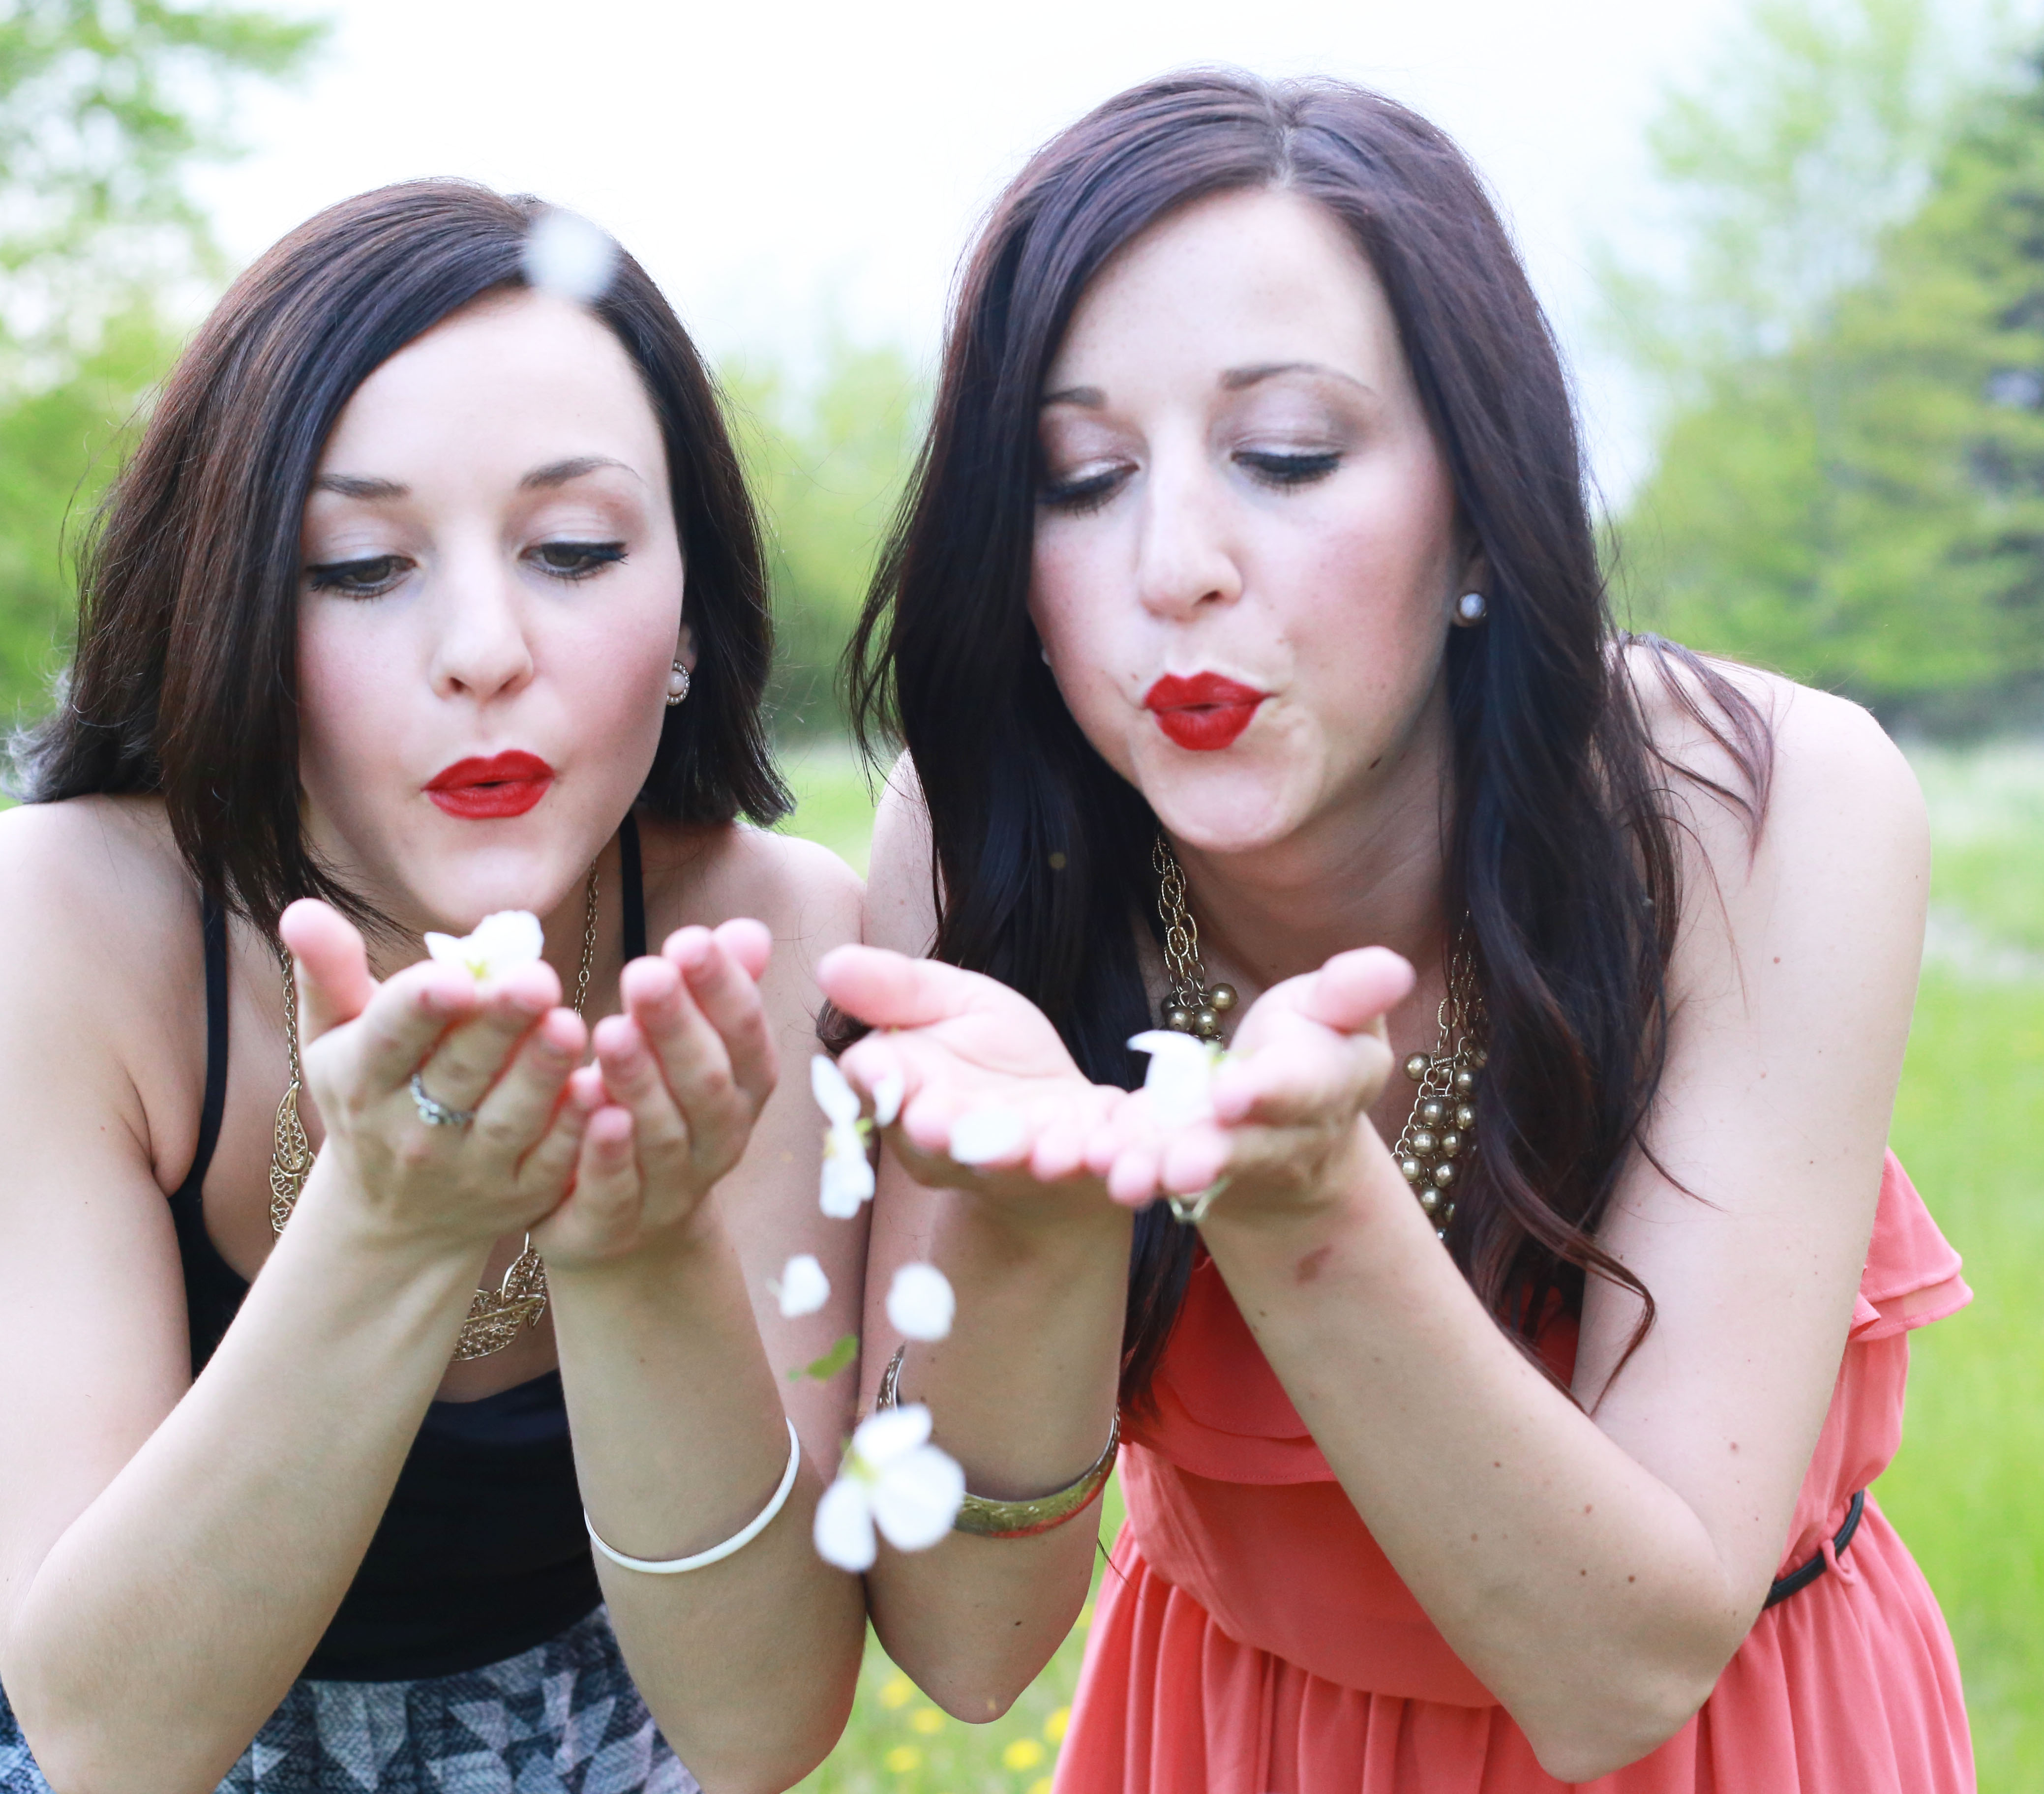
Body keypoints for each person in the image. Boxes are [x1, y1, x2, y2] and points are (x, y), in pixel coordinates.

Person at [820, 72, 1974, 1794]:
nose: (1175, 564)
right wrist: (1035, 1231)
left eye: (1287, 455)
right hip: (1222, 1740)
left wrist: (1302, 1209)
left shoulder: (1752, 809)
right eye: (1081, 477)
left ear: (1482, 508)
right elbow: (971, 1653)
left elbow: (1623, 1674)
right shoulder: (987, 839)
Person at [0, 181, 866, 1794]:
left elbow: (762, 1727)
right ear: (233, 606)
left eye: (576, 550)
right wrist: (390, 1223)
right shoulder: (42, 924)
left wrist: (642, 1242)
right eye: (362, 566)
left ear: (691, 611)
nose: (482, 648)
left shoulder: (766, 941)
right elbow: (111, 1739)